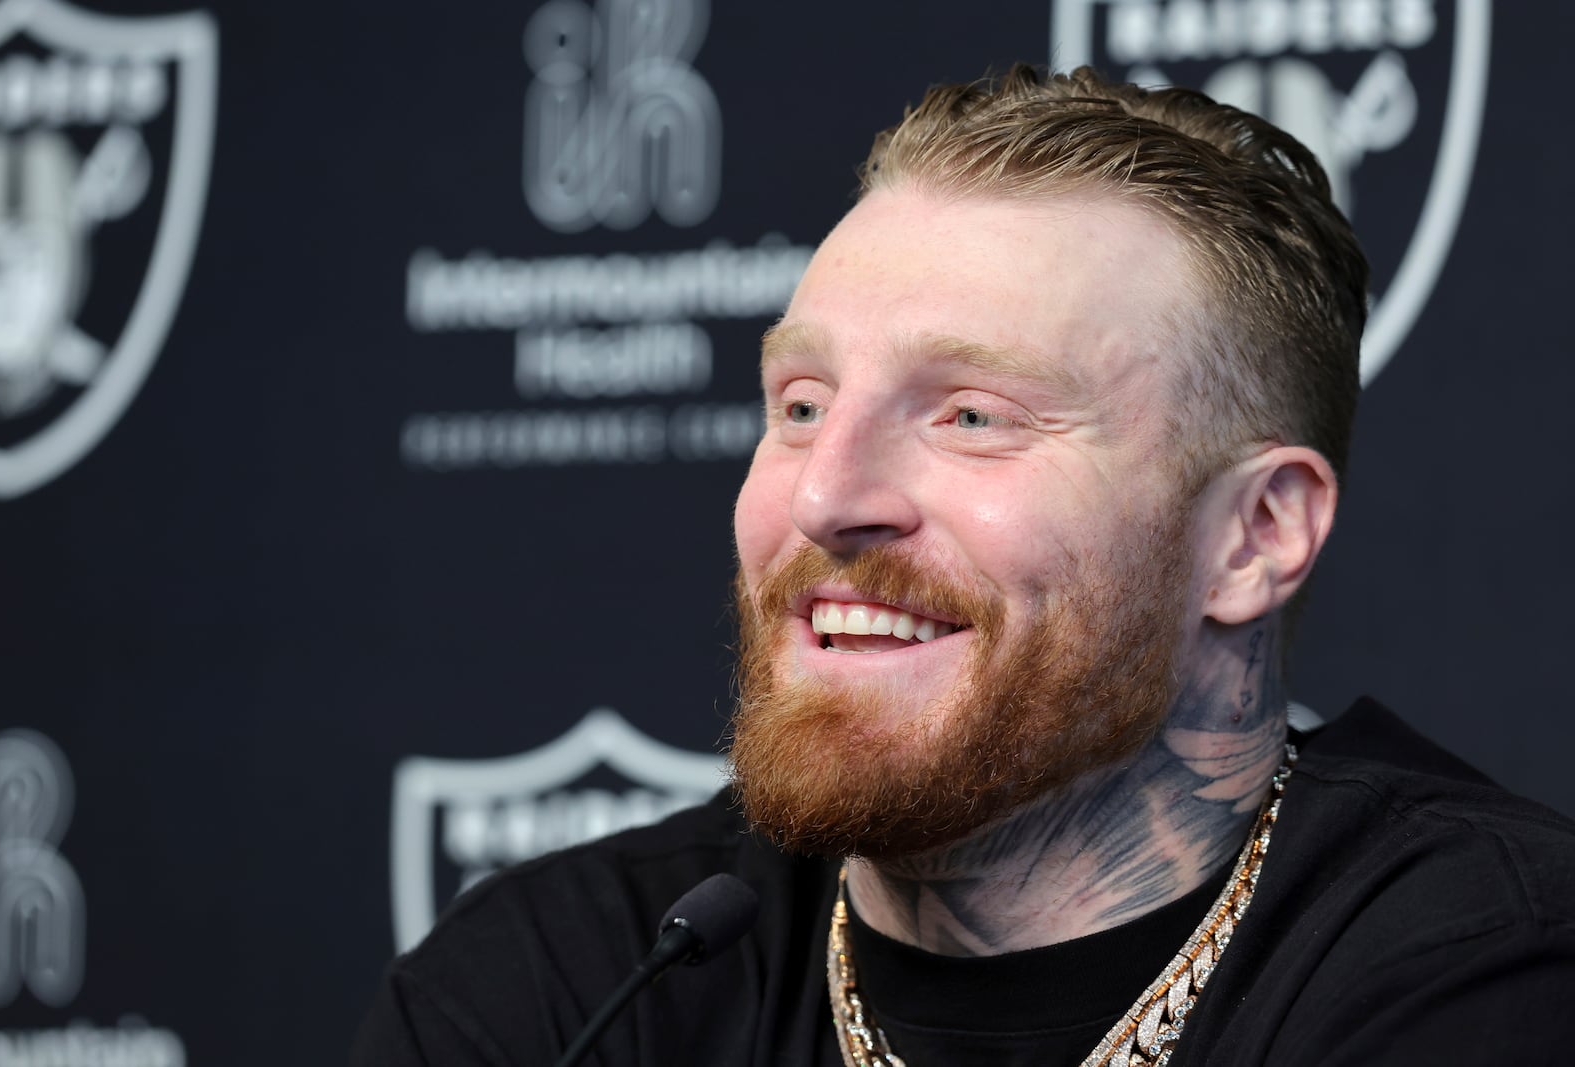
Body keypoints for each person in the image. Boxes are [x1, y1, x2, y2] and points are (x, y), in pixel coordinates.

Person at [353, 66, 1575, 1066]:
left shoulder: (1477, 964)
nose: (826, 496)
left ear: (1254, 535)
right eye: (800, 402)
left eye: (972, 416)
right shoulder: (566, 980)